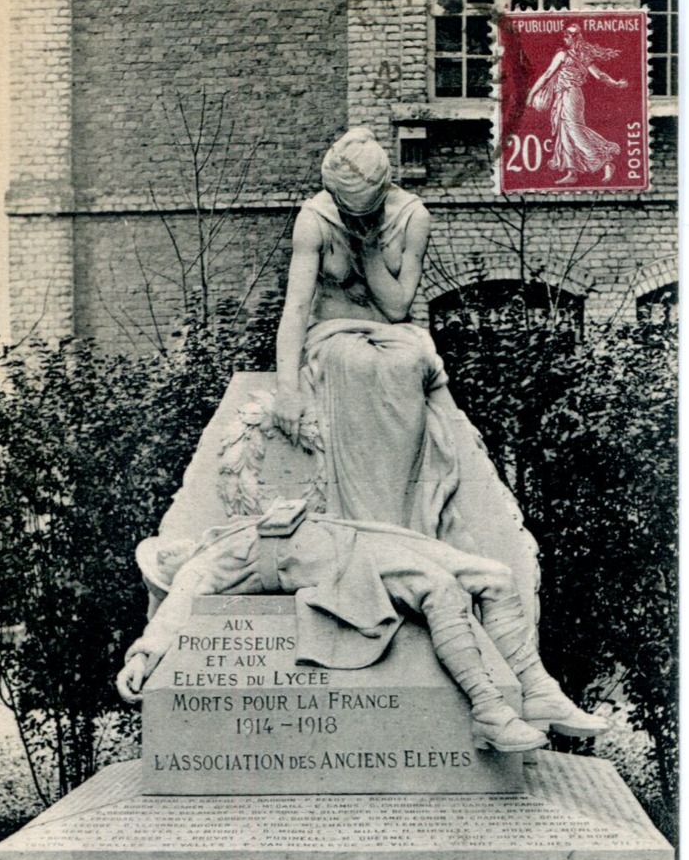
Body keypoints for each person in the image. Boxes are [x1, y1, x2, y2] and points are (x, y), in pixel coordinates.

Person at [117, 499, 609, 753]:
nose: (174, 546)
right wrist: (143, 654)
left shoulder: (231, 530)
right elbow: (176, 609)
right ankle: (488, 709)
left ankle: (538, 689)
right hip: (344, 563)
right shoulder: (201, 568)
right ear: (168, 568)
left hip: (361, 537)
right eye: (165, 556)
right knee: (440, 590)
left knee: (495, 576)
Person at [271, 126, 466, 543]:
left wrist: (369, 246)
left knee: (408, 363)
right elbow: (296, 308)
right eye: (348, 208)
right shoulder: (315, 219)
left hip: (391, 334)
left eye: (366, 208)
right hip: (333, 336)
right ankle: (364, 527)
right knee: (357, 363)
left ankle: (407, 524)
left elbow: (397, 307)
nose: (355, 217)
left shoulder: (412, 216)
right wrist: (287, 389)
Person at [526, 25, 628, 186]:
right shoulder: (579, 56)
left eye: (567, 35)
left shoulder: (565, 55)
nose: (564, 38)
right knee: (564, 131)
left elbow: (547, 75)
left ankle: (605, 162)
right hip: (565, 95)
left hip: (570, 95)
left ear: (575, 37)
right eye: (564, 35)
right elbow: (599, 75)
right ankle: (571, 171)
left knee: (574, 129)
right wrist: (615, 83)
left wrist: (531, 94)